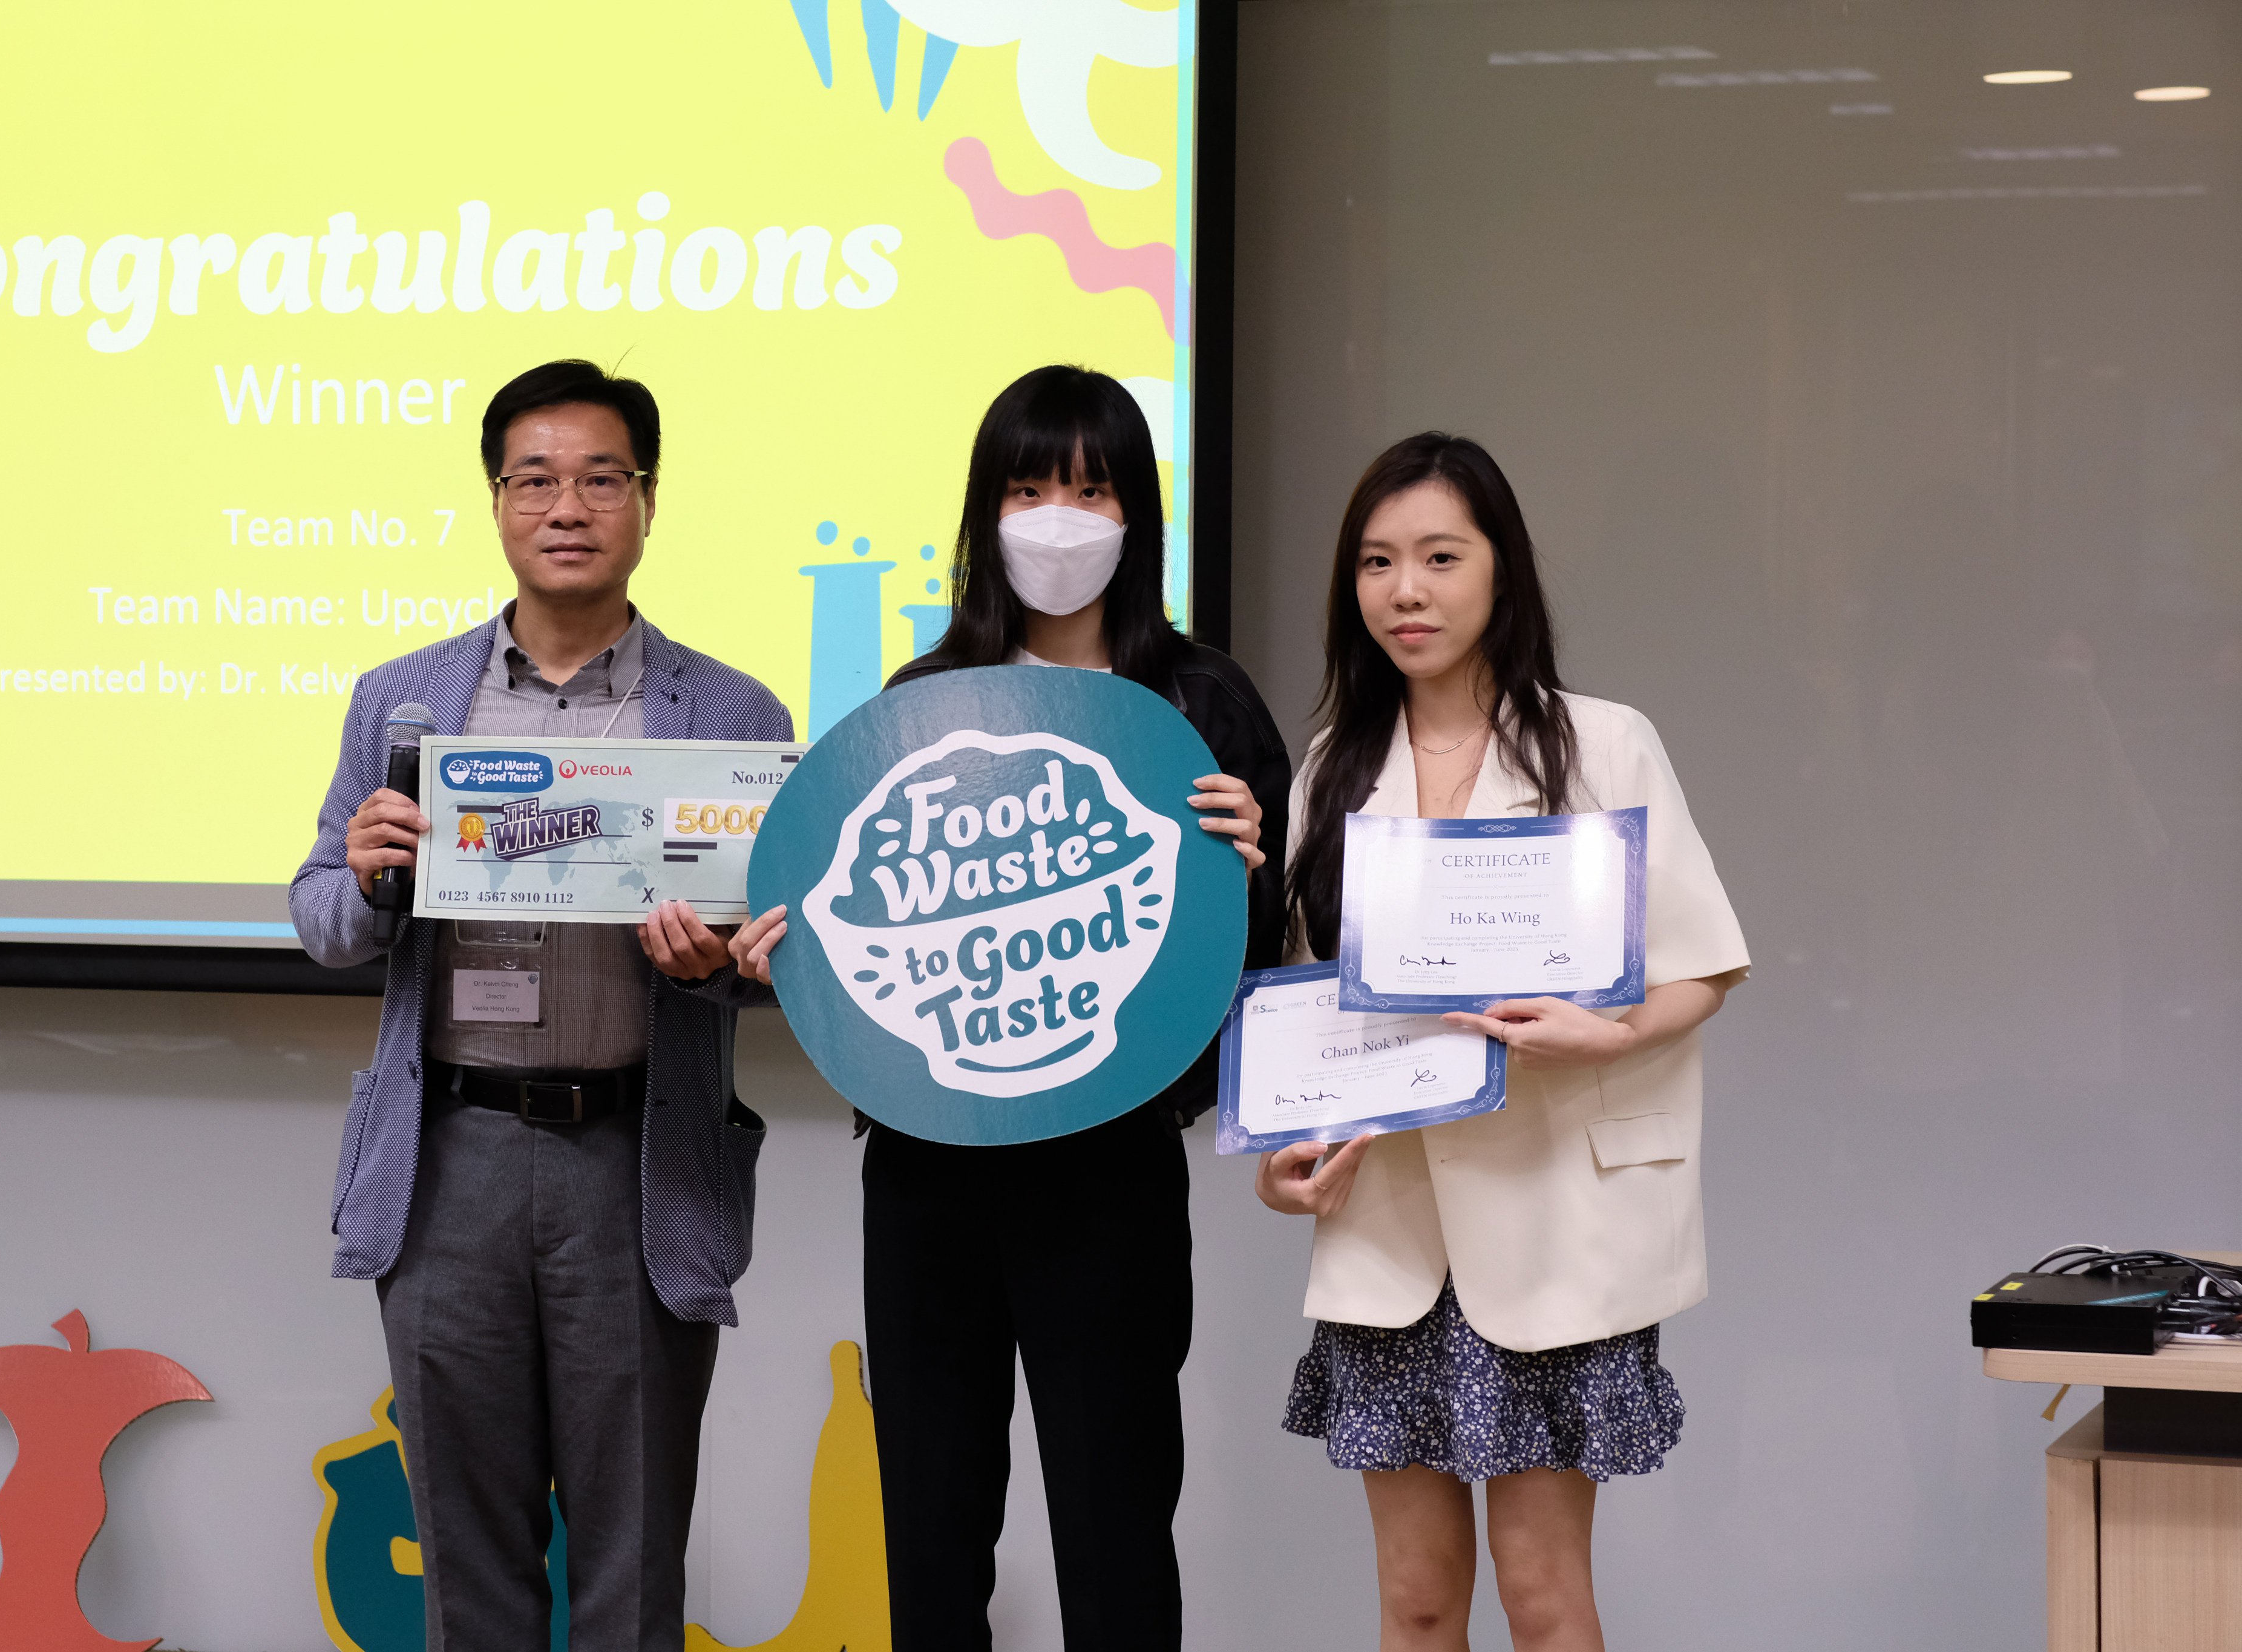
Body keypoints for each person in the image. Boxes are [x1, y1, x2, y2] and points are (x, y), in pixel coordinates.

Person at [730, 365, 1292, 1651]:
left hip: (1109, 1178)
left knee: (1114, 1537)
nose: (1056, 518)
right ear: (983, 513)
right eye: (1028, 487)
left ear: (1136, 515)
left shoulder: (1202, 708)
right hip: (930, 1178)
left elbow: (1248, 970)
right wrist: (786, 956)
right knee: (928, 1543)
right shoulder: (915, 708)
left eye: (1089, 488)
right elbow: (847, 933)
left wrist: (1252, 871)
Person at [290, 359, 788, 1652]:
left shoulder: (732, 713)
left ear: (646, 501)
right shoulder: (403, 703)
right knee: (469, 1546)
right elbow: (322, 924)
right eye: (535, 479)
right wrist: (369, 875)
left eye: (600, 480)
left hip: (633, 1162)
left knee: (632, 1553)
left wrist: (724, 965)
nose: (567, 506)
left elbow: (784, 961)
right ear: (497, 501)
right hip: (448, 1158)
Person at [1256, 433, 1748, 1652]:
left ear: (1498, 570)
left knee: (1542, 1600)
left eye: (1437, 556)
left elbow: (1705, 965)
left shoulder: (1600, 744)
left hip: (1551, 1230)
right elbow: (1322, 1012)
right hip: (1392, 1237)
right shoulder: (1331, 769)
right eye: (1376, 563)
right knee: (1415, 1607)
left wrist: (1608, 1032)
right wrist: (1286, 1151)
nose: (1404, 591)